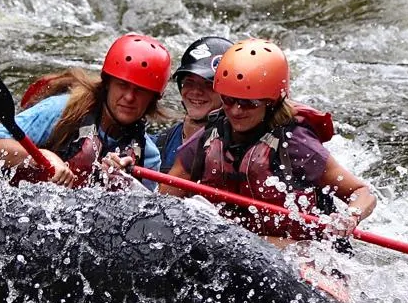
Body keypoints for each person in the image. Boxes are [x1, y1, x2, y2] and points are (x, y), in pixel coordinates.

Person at [159, 38, 376, 245]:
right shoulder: (209, 137)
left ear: (271, 102)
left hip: (294, 250)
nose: (236, 110)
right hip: (232, 246)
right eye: (229, 99)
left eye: (249, 103)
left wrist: (349, 217)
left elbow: (362, 193)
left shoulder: (296, 143)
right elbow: (163, 200)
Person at [0, 33, 172, 187]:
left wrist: (123, 183)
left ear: (153, 99)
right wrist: (42, 157)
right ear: (108, 84)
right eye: (122, 85)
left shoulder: (149, 157)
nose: (129, 97)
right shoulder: (62, 110)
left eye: (140, 91)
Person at [155, 35, 232, 172]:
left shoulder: (239, 150)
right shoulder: (158, 144)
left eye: (208, 84)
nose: (196, 92)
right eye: (189, 82)